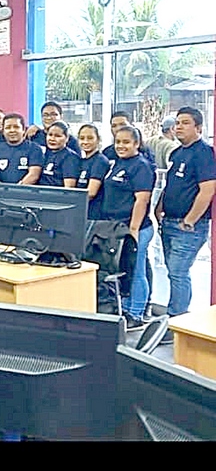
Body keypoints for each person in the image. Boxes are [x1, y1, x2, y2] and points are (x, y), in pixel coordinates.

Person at [156, 107, 216, 335]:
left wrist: (190, 220)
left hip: (188, 227)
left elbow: (207, 190)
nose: (179, 127)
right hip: (168, 222)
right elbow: (171, 185)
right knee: (173, 272)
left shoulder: (203, 153)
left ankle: (176, 323)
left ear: (198, 127)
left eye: (185, 123)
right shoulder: (177, 153)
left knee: (178, 272)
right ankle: (174, 318)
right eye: (177, 123)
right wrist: (159, 207)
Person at [101, 125, 155, 331]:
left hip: (136, 229)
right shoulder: (117, 163)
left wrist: (133, 229)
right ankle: (125, 308)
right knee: (125, 270)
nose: (121, 146)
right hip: (116, 228)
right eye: (118, 142)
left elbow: (142, 200)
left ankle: (136, 314)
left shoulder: (141, 166)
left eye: (126, 142)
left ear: (137, 144)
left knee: (137, 271)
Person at [0, 113, 43, 184]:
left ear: (23, 130)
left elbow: (33, 175)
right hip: (1, 191)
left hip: (26, 190)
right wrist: (3, 189)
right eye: (8, 127)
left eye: (16, 127)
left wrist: (16, 189)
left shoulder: (34, 149)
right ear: (3, 131)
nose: (12, 130)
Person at [76, 124, 111, 220]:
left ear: (98, 139)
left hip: (93, 214)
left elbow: (91, 193)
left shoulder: (100, 161)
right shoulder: (80, 160)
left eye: (90, 138)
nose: (85, 142)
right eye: (82, 138)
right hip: (82, 212)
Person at [37, 121, 80, 187]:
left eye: (57, 136)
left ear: (67, 138)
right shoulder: (44, 154)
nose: (52, 139)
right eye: (50, 135)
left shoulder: (70, 158)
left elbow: (69, 188)